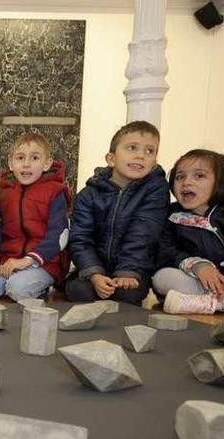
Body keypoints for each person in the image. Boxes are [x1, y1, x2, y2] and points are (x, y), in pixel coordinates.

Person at [65, 121, 169, 305]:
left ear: (154, 162)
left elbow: (143, 234)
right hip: (96, 265)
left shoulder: (156, 191)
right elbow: (81, 237)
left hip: (135, 267)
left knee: (127, 295)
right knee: (80, 291)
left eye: (149, 151)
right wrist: (94, 273)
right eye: (132, 148)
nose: (140, 156)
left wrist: (128, 271)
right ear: (111, 159)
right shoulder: (89, 194)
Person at [0, 133, 70, 301]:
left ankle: (43, 287)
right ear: (11, 164)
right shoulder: (4, 194)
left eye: (35, 158)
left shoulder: (55, 193)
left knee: (17, 289)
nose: (26, 164)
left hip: (43, 263)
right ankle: (12, 285)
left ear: (47, 164)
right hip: (9, 261)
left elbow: (58, 236)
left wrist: (27, 260)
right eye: (20, 158)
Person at [153, 149, 224, 314]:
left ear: (221, 181)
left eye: (199, 176)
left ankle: (216, 303)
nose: (186, 182)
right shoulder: (171, 216)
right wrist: (199, 267)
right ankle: (221, 301)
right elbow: (166, 252)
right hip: (197, 280)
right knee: (161, 277)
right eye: (180, 177)